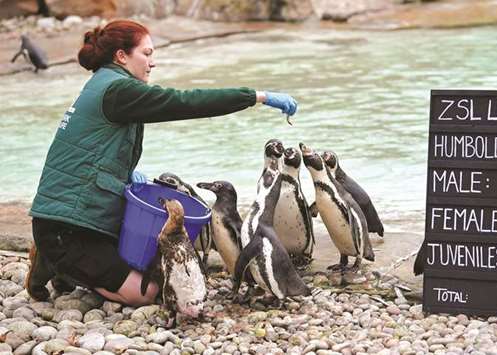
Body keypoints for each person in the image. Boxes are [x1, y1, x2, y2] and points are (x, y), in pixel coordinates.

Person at [25, 19, 298, 306]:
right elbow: (184, 101)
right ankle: (54, 260)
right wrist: (257, 97)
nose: (152, 63)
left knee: (152, 264)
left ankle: (63, 264)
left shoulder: (104, 82)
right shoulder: (120, 91)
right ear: (121, 56)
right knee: (146, 292)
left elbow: (90, 148)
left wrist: (126, 173)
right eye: (147, 53)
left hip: (75, 218)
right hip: (66, 227)